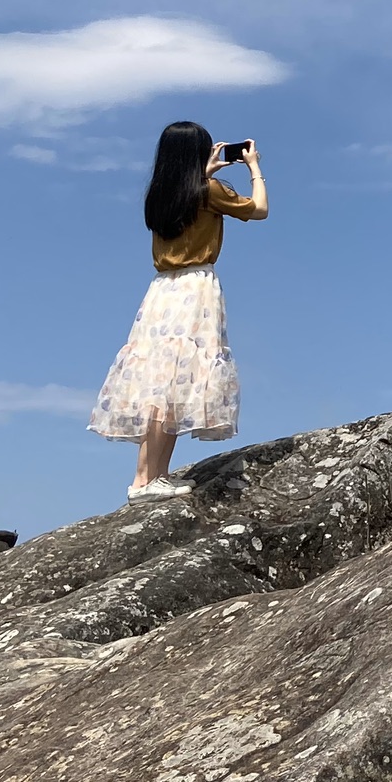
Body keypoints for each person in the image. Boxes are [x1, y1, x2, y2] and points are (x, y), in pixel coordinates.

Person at [89, 120, 268, 499]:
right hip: (195, 287)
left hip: (161, 292)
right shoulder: (209, 192)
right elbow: (259, 210)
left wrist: (204, 174)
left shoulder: (160, 196)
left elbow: (190, 193)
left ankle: (147, 476)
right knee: (176, 381)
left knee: (159, 381)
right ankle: (148, 481)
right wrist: (254, 168)